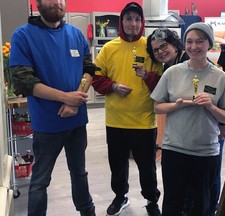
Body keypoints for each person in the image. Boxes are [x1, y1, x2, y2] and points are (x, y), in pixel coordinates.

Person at [9, 0, 97, 215]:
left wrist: (75, 102)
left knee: (79, 173)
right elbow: (23, 82)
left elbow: (89, 70)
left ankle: (87, 210)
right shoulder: (23, 35)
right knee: (40, 180)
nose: (57, 2)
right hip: (47, 124)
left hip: (77, 121)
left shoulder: (76, 34)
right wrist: (67, 98)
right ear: (38, 3)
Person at [150, 22, 225, 216]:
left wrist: (210, 106)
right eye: (189, 41)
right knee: (172, 203)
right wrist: (177, 105)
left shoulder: (222, 78)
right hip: (174, 150)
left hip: (206, 153)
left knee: (201, 206)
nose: (193, 46)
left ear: (209, 44)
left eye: (200, 41)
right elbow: (157, 106)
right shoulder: (172, 73)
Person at [91, 2, 163, 216]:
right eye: (129, 19)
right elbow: (95, 77)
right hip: (116, 121)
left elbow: (162, 82)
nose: (133, 23)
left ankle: (151, 200)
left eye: (137, 19)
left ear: (142, 23)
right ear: (121, 21)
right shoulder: (108, 48)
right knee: (118, 165)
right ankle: (120, 196)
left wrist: (147, 76)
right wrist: (112, 86)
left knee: (147, 167)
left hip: (144, 121)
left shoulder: (151, 47)